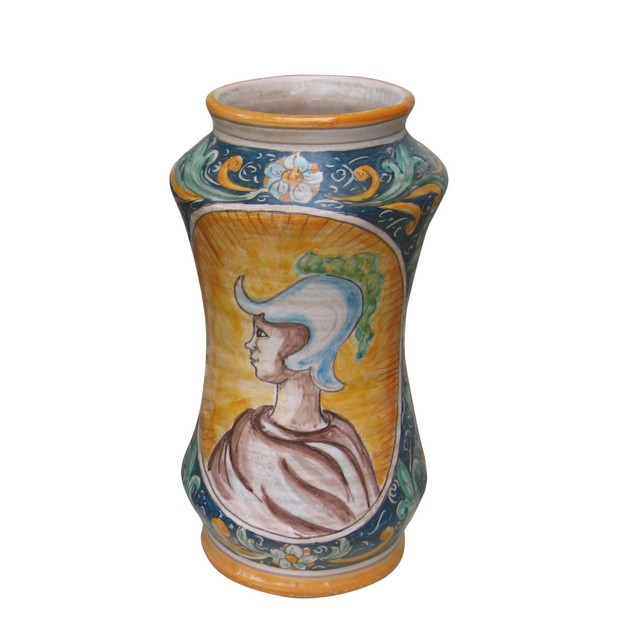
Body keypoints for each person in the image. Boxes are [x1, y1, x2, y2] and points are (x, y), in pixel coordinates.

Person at [207, 274, 379, 539]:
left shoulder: (343, 448)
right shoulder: (239, 437)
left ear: (305, 344)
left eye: (262, 333)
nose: (249, 344)